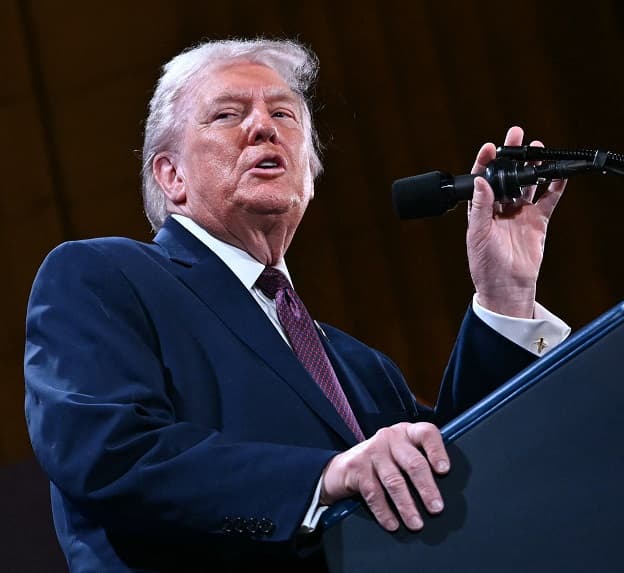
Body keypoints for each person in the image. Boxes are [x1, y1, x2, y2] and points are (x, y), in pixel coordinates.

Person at [24, 38, 569, 571]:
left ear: (308, 172)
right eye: (227, 115)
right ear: (172, 176)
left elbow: (461, 469)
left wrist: (506, 295)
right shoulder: (101, 277)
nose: (264, 126)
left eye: (284, 114)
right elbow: (108, 453)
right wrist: (323, 478)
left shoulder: (361, 366)